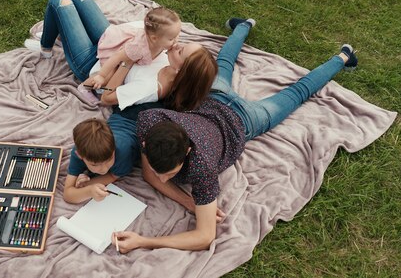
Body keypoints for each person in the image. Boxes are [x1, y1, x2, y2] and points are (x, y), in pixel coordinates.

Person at [113, 18, 359, 252]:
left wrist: (144, 241)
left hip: (245, 120)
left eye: (170, 173)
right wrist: (189, 202)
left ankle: (342, 57)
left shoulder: (202, 167)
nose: (162, 180)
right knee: (226, 63)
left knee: (297, 93)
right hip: (211, 100)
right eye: (161, 171)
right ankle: (243, 25)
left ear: (188, 150)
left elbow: (204, 236)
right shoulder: (151, 120)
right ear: (145, 140)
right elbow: (150, 175)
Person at [25, 0, 217, 110]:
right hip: (112, 41)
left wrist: (127, 61)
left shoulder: (151, 87)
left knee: (60, 1)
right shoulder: (171, 56)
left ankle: (46, 48)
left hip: (93, 65)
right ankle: (61, 32)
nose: (178, 44)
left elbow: (107, 98)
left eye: (181, 50)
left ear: (181, 69)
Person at [62, 116, 139, 204]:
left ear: (114, 149)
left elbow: (113, 176)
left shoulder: (123, 151)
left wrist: (87, 185)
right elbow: (67, 195)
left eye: (109, 159)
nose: (104, 169)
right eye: (95, 165)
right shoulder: (77, 153)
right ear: (79, 155)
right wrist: (89, 191)